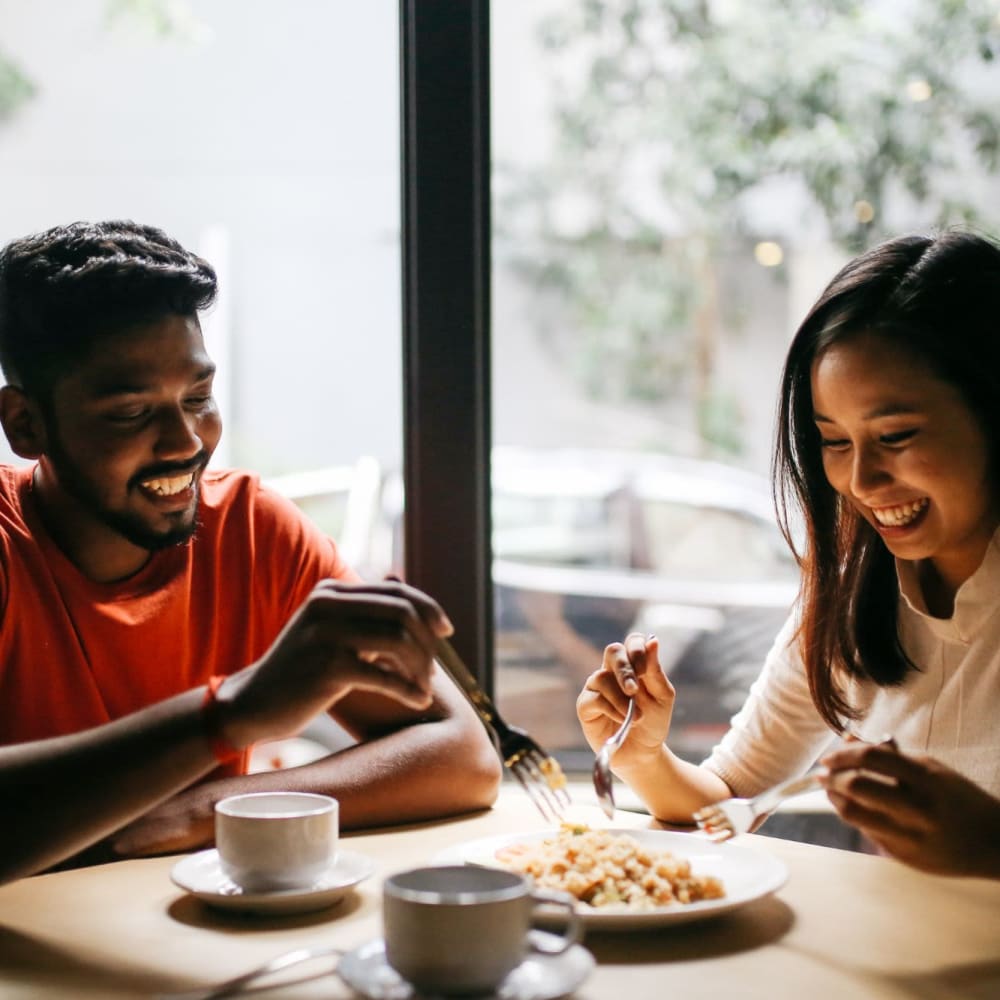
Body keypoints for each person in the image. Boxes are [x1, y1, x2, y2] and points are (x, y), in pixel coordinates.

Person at [0, 219, 502, 885]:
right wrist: (231, 714)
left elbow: (464, 757)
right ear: (26, 425)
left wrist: (196, 812)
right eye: (130, 413)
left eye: (199, 398)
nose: (184, 441)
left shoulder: (251, 531)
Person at [577, 229, 1000, 879]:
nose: (861, 480)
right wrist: (642, 757)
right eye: (834, 441)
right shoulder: (855, 589)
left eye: (896, 436)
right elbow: (729, 798)